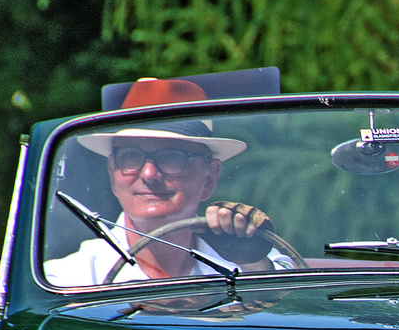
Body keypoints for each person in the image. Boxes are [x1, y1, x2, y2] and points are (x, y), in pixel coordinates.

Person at [44, 78, 284, 287]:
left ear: (209, 176)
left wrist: (252, 261)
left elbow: (286, 299)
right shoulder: (69, 280)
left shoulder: (250, 264)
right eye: (130, 156)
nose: (149, 174)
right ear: (112, 173)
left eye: (172, 156)